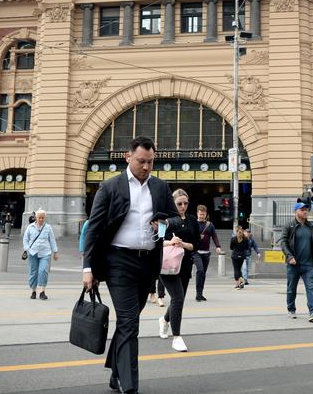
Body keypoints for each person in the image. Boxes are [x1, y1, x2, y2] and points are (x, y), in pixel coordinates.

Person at [82, 136, 178, 394]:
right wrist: (88, 268)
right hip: (118, 263)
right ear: (128, 157)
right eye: (141, 161)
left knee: (128, 321)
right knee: (129, 322)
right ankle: (129, 385)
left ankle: (116, 374)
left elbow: (176, 220)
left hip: (147, 264)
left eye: (150, 162)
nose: (146, 167)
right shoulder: (110, 187)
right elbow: (94, 229)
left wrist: (165, 226)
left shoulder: (160, 187)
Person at [158, 189, 200, 352]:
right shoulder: (165, 221)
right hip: (167, 265)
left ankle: (164, 320)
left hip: (185, 264)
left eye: (185, 203)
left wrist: (184, 245)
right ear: (173, 204)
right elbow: (156, 242)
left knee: (178, 299)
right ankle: (177, 337)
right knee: (178, 297)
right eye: (179, 203)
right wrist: (171, 242)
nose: (183, 206)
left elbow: (196, 244)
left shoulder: (192, 220)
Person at [281, 201, 313, 323]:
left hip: (309, 264)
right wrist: (289, 257)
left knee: (310, 287)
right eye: (302, 210)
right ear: (296, 212)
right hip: (294, 264)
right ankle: (291, 308)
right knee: (291, 288)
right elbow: (283, 242)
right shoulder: (289, 226)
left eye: (306, 210)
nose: (305, 212)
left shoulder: (311, 226)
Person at [22, 209, 58, 300]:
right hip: (32, 252)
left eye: (43, 218)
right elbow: (25, 239)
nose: (41, 219)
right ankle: (33, 291)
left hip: (45, 253)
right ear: (36, 218)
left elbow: (52, 240)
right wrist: (27, 249)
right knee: (33, 272)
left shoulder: (48, 227)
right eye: (39, 218)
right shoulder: (30, 227)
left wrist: (55, 252)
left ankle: (42, 291)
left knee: (43, 271)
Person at [193, 204, 222, 301]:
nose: (201, 216)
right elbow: (189, 236)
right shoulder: (194, 224)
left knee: (203, 273)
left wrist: (218, 246)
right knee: (200, 270)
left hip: (206, 253)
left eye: (203, 214)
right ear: (197, 213)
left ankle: (200, 293)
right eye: (200, 214)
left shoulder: (209, 225)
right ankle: (197, 293)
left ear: (206, 214)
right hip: (196, 252)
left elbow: (214, 236)